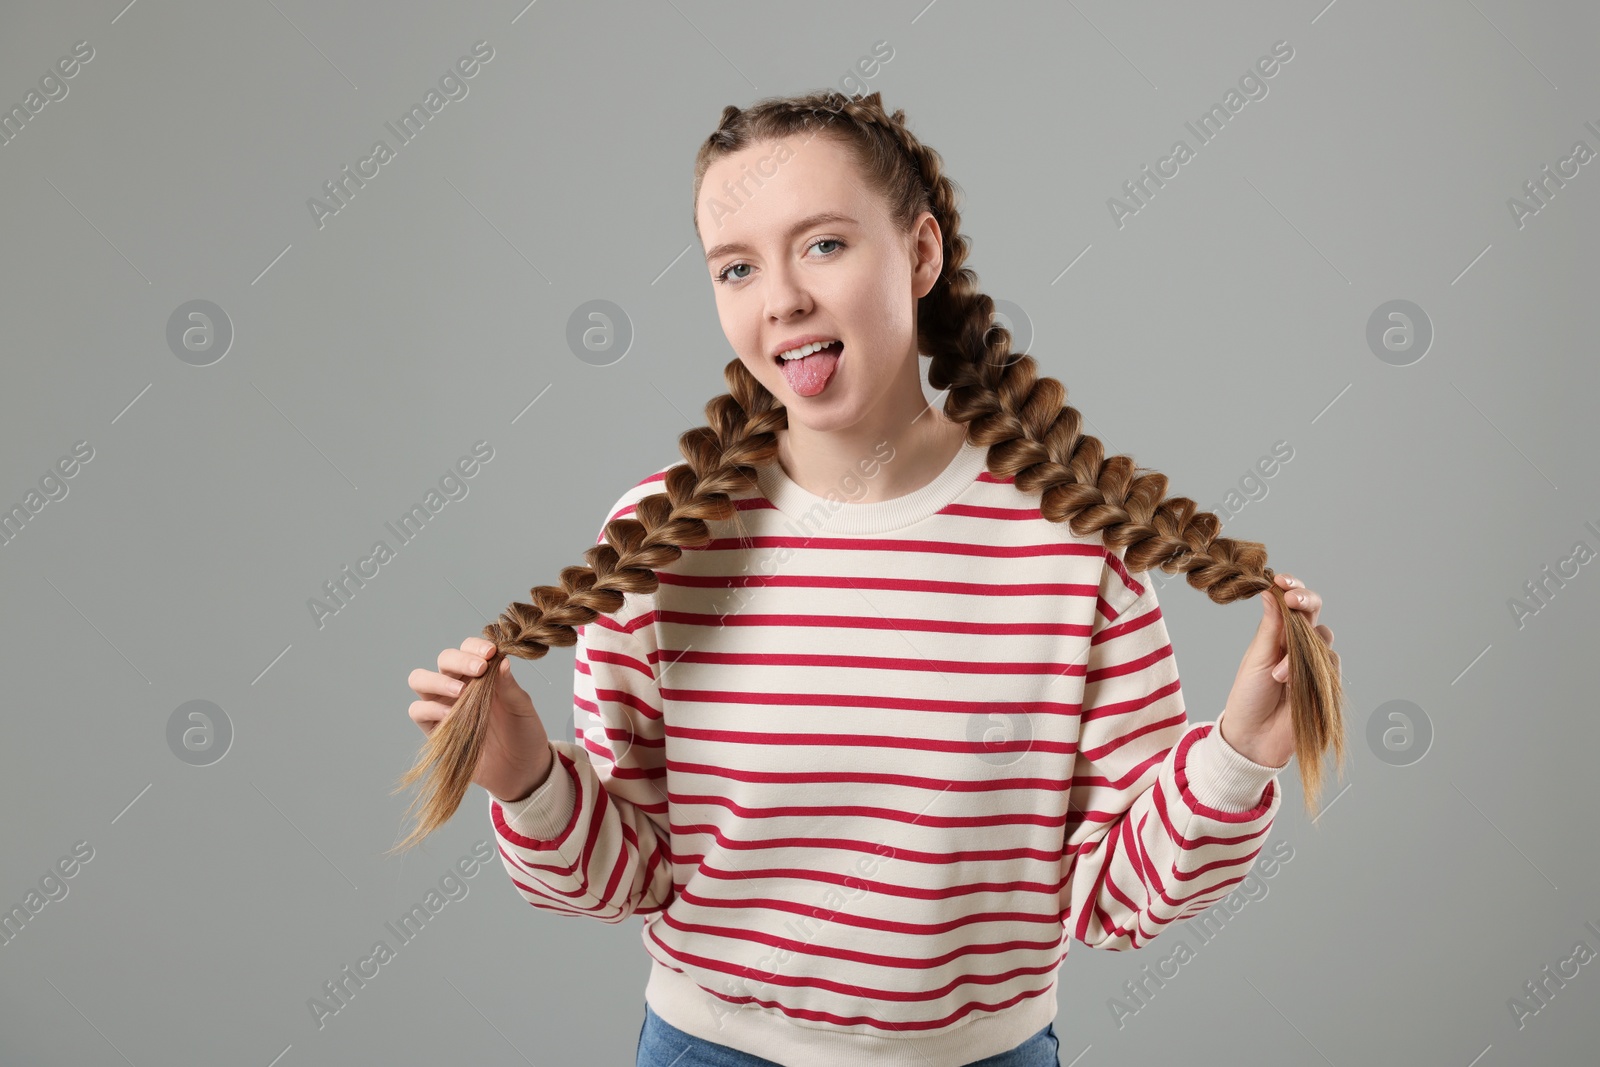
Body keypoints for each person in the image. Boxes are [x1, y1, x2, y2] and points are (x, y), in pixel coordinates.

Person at [403, 90, 1338, 1067]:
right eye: (735, 266)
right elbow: (624, 874)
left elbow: (1111, 888)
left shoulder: (1070, 543)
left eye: (822, 245)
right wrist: (529, 782)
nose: (781, 298)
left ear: (922, 254)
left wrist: (1237, 753)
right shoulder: (660, 545)